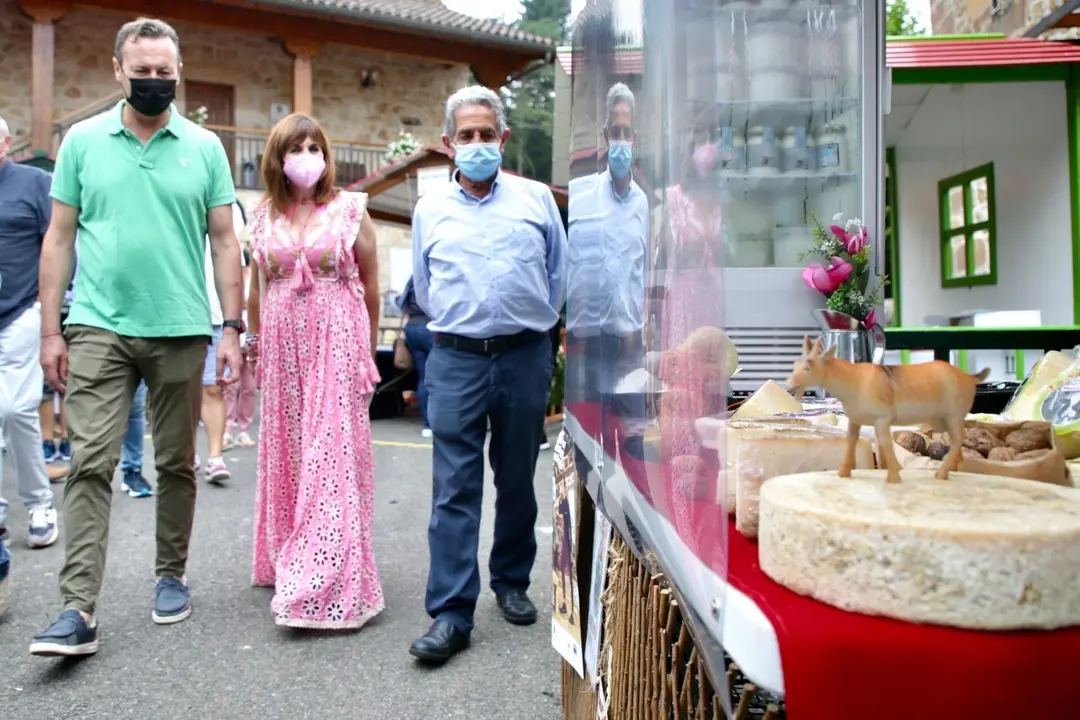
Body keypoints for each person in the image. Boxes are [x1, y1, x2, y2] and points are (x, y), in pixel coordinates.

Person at [31, 17, 243, 657]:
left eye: (164, 71)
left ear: (178, 72)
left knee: (175, 461)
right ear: (118, 71)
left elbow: (226, 240)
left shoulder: (204, 147)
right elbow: (60, 237)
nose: (154, 81)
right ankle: (76, 609)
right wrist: (50, 330)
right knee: (90, 462)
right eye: (142, 71)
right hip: (97, 324)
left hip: (181, 326)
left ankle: (170, 574)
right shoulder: (82, 142)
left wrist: (231, 326)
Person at [409, 86, 566, 665]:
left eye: (486, 134)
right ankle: (451, 613)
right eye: (465, 136)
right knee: (454, 487)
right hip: (455, 358)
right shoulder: (431, 209)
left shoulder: (534, 200)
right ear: (450, 146)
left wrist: (534, 333)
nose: (477, 144)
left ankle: (512, 581)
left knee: (519, 475)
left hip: (525, 355)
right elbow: (425, 289)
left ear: (503, 139)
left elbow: (557, 275)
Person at [247, 112, 383, 629]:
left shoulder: (351, 209)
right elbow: (259, 287)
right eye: (295, 147)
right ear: (278, 158)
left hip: (337, 339)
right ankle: (288, 553)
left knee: (331, 454)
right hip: (283, 346)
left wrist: (366, 354)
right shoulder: (260, 216)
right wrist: (255, 348)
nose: (306, 156)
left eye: (314, 146)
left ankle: (322, 576)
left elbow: (370, 286)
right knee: (290, 449)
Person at [0, 113, 59, 549]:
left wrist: (45, 306)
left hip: (20, 311)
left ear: (5, 145)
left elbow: (57, 243)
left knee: (17, 410)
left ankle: (39, 503)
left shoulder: (32, 183)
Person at [196, 200, 248, 484]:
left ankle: (215, 457)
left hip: (216, 318)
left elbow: (238, 277)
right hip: (181, 316)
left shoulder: (227, 234)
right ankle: (187, 451)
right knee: (180, 391)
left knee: (213, 389)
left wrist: (234, 325)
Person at [225, 238, 257, 449]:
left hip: (250, 338)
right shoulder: (230, 279)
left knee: (249, 387)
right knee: (230, 386)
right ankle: (226, 429)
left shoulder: (253, 278)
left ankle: (243, 429)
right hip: (235, 336)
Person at [397, 276, 432, 438]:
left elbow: (400, 303)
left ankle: (427, 424)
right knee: (441, 377)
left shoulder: (413, 279)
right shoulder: (437, 273)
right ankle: (441, 421)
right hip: (432, 327)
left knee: (423, 377)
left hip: (412, 327)